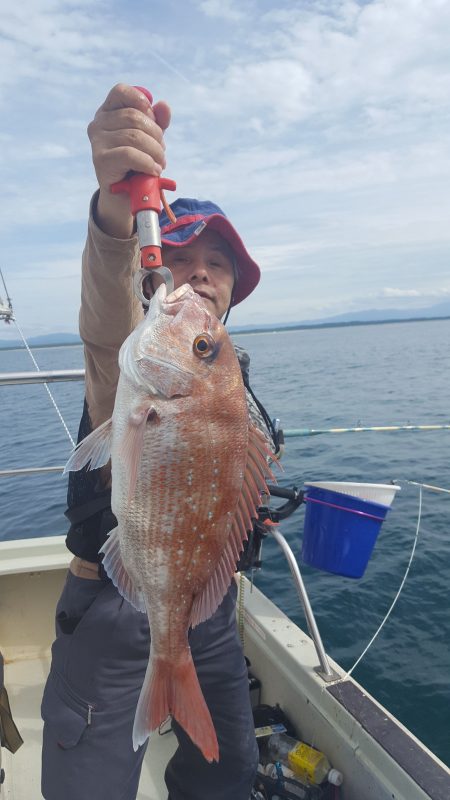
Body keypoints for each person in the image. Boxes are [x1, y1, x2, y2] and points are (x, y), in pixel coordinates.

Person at [41, 84, 277, 800]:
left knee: (228, 772)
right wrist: (117, 214)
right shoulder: (136, 357)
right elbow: (109, 312)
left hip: (204, 605)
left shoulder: (220, 375)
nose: (201, 270)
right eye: (181, 256)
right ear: (151, 273)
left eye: (219, 262)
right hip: (114, 609)